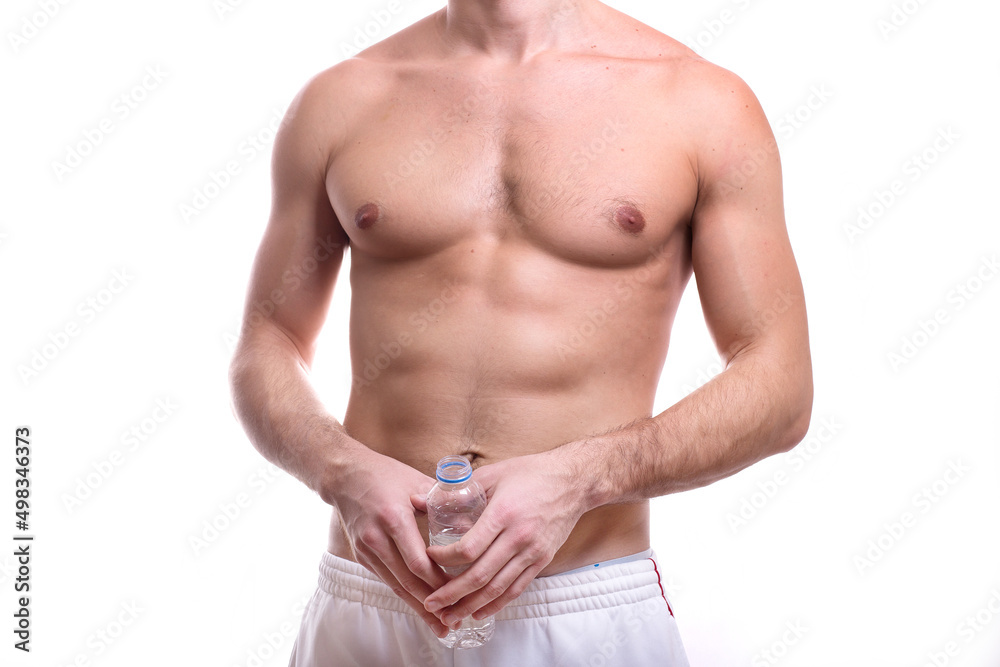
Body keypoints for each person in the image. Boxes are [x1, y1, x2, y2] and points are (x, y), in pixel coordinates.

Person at [229, 0, 813, 664]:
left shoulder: (699, 103)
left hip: (582, 608)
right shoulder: (343, 98)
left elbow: (780, 383)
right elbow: (267, 339)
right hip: (369, 609)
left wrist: (584, 476)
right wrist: (341, 471)